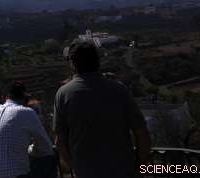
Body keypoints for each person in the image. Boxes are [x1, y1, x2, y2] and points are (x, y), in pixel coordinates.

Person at [53, 40, 150, 178]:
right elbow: (141, 132)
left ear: (72, 64)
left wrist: (74, 167)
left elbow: (60, 142)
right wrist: (140, 164)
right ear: (97, 61)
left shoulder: (63, 94)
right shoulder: (119, 90)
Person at [0, 81, 55, 178]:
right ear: (25, 98)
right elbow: (45, 146)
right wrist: (29, 149)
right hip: (12, 175)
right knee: (49, 157)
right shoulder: (26, 112)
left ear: (5, 98)